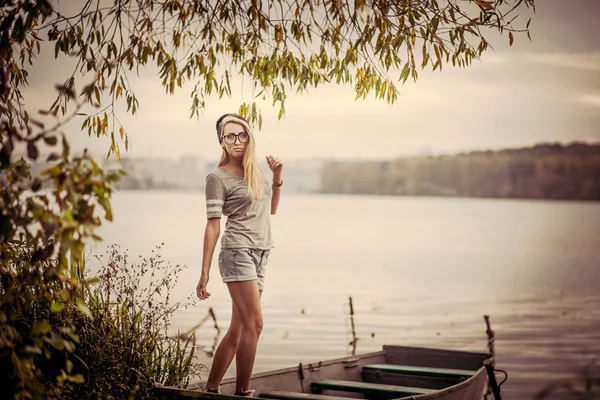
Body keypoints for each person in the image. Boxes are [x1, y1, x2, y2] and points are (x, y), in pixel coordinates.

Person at [196, 113, 283, 397]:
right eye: (230, 136)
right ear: (221, 141)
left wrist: (277, 178)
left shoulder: (254, 173)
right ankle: (243, 393)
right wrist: (205, 271)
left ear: (249, 138)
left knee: (238, 330)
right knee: (255, 324)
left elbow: (270, 210)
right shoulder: (216, 177)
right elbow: (212, 225)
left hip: (261, 253)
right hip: (237, 252)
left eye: (242, 135)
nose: (237, 141)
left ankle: (211, 389)